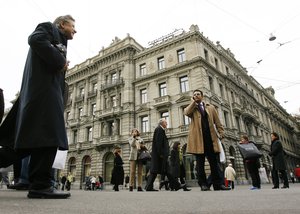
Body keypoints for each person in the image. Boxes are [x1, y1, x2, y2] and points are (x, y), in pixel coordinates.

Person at [0, 15, 76, 199]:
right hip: (43, 94)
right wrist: (60, 62)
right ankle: (41, 185)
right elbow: (34, 39)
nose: (75, 30)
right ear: (62, 24)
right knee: (50, 135)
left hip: (45, 94)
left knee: (25, 144)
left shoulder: (60, 40)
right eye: (72, 26)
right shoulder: (49, 28)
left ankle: (39, 184)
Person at [184, 89, 230, 191]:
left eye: (198, 94)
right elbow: (186, 112)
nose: (196, 96)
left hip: (211, 139)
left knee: (215, 164)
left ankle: (218, 185)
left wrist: (221, 132)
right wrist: (193, 102)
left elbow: (217, 121)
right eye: (194, 95)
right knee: (200, 165)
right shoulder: (193, 108)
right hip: (198, 140)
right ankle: (203, 185)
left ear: (202, 96)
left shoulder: (211, 107)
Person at [145, 118, 184, 191]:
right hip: (160, 155)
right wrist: (161, 154)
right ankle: (177, 185)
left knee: (161, 171)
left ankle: (149, 187)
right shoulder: (159, 129)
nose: (167, 124)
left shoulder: (160, 129)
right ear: (162, 123)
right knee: (158, 171)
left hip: (160, 155)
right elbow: (158, 143)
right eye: (166, 122)